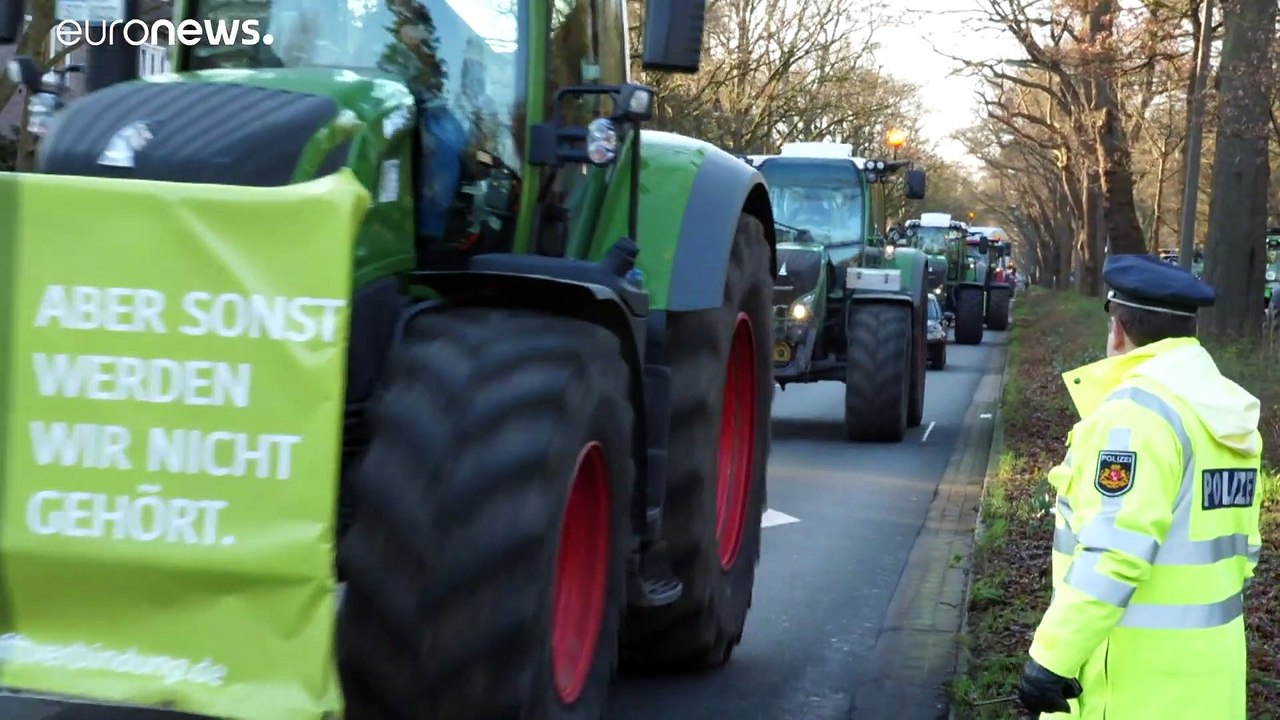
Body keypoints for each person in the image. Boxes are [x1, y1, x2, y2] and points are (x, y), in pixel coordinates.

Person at [1017, 253, 1264, 719]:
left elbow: (1114, 554)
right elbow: (1243, 554)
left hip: (1133, 686)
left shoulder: (1137, 416)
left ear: (1118, 329)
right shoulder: (1228, 415)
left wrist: (1050, 659)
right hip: (1210, 683)